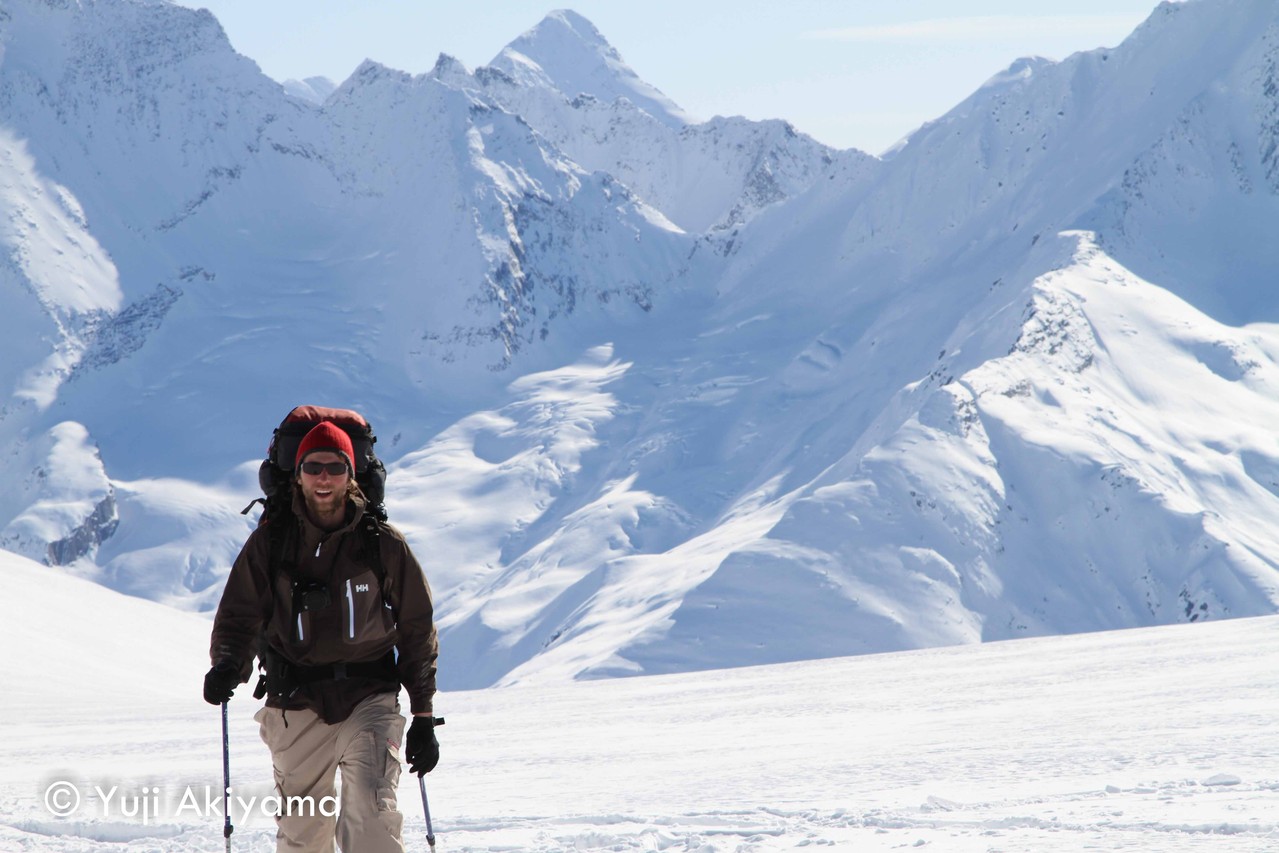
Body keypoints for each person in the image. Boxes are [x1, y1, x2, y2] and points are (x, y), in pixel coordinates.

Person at [203, 420, 439, 853]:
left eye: (335, 466)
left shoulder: (381, 543)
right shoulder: (272, 543)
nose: (324, 477)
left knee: (372, 822)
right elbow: (240, 614)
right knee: (303, 837)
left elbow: (416, 627)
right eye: (314, 466)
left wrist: (422, 717)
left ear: (351, 473)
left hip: (369, 696)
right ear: (298, 473)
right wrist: (226, 667)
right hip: (295, 701)